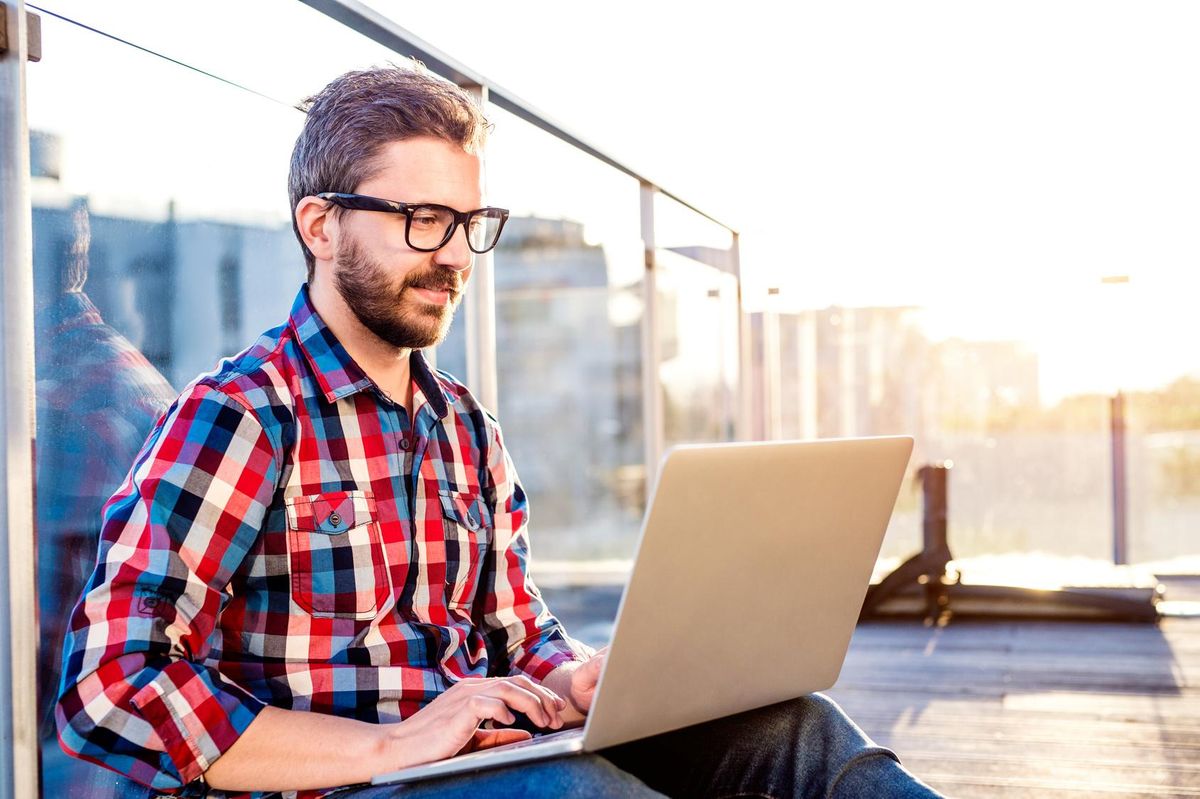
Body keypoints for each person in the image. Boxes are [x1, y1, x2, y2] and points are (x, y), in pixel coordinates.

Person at [56, 65, 942, 799]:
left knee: (799, 732)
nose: (453, 255)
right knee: (580, 792)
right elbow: (109, 684)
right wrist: (392, 745)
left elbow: (519, 630)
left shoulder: (466, 427)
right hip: (345, 784)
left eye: (468, 224)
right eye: (421, 220)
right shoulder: (241, 414)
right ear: (320, 225)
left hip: (486, 760)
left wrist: (572, 678)